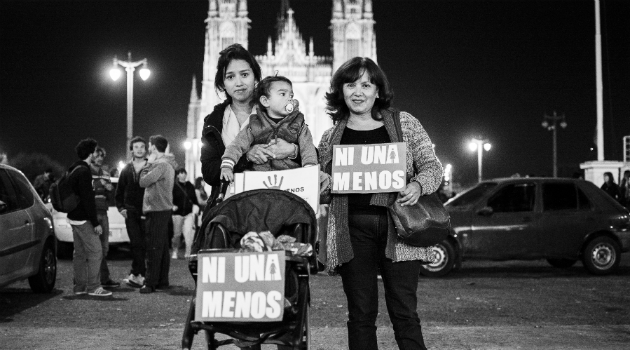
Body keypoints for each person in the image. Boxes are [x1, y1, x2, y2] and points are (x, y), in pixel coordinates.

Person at [317, 57, 442, 350]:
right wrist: (321, 183)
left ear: (377, 90)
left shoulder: (405, 124)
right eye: (350, 84)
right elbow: (324, 191)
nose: (357, 91)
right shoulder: (330, 136)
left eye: (365, 84)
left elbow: (432, 167)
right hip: (351, 231)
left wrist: (417, 185)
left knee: (405, 313)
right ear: (341, 91)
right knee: (360, 315)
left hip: (399, 230)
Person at [200, 43, 298, 208]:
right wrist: (245, 157)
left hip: (272, 207)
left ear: (256, 78)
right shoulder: (213, 122)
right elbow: (209, 172)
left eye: (244, 74)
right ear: (223, 83)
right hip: (227, 208)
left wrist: (292, 150)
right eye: (230, 77)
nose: (238, 82)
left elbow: (310, 151)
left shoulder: (276, 112)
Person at [219, 75, 317, 182]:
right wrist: (227, 165)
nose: (289, 98)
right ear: (265, 101)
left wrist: (309, 172)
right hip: (260, 180)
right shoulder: (254, 125)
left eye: (291, 95)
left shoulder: (299, 124)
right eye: (283, 94)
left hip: (290, 180)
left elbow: (308, 150)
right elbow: (237, 145)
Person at [67, 138, 112, 297]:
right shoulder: (84, 171)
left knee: (79, 254)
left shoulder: (73, 169)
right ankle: (94, 286)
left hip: (73, 217)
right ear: (90, 153)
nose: (96, 154)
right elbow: (87, 200)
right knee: (96, 251)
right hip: (84, 218)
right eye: (94, 152)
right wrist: (95, 222)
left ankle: (79, 287)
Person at [138, 135, 178, 294]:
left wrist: (148, 163)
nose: (148, 148)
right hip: (163, 209)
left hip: (156, 209)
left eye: (149, 145)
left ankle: (150, 282)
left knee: (153, 247)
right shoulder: (167, 163)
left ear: (153, 147)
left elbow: (143, 181)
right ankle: (162, 280)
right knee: (160, 247)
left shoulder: (160, 165)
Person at [116, 136, 148, 288]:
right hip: (130, 212)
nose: (140, 149)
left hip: (147, 211)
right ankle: (139, 274)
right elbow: (119, 191)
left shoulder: (151, 166)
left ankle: (137, 273)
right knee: (135, 243)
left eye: (142, 146)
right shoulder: (127, 169)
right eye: (136, 147)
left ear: (146, 148)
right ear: (132, 150)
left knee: (144, 244)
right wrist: (121, 208)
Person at [90, 146, 120, 289]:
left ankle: (103, 278)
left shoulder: (106, 172)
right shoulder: (86, 171)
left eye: (102, 155)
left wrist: (110, 189)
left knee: (104, 248)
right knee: (92, 248)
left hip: (103, 211)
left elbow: (110, 196)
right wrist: (98, 184)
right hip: (92, 213)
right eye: (97, 155)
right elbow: (83, 191)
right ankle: (95, 279)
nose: (100, 158)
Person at [171, 168, 199, 259]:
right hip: (177, 213)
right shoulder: (174, 186)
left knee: (188, 233)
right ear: (178, 175)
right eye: (181, 173)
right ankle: (175, 250)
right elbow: (169, 198)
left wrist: (196, 207)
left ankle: (188, 252)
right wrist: (172, 206)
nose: (183, 175)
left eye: (184, 173)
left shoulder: (190, 185)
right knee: (177, 234)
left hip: (188, 213)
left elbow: (194, 199)